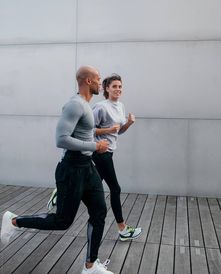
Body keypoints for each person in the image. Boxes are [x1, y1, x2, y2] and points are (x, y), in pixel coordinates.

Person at [0, 66, 114, 274]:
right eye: (98, 79)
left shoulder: (86, 105)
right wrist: (95, 146)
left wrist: (101, 136)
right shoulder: (74, 105)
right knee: (62, 221)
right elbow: (61, 140)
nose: (101, 82)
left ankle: (90, 266)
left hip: (88, 168)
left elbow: (84, 131)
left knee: (99, 212)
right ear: (88, 81)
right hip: (71, 169)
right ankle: (14, 221)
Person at [92, 74, 142, 241]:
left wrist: (128, 123)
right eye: (114, 86)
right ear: (107, 88)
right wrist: (107, 131)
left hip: (110, 151)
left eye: (120, 86)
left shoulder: (120, 106)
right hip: (100, 152)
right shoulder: (101, 107)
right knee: (115, 188)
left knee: (92, 187)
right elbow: (87, 131)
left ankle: (63, 191)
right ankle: (122, 228)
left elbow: (118, 131)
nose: (118, 89)